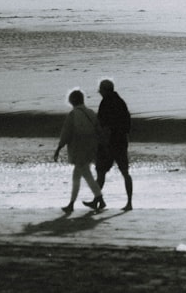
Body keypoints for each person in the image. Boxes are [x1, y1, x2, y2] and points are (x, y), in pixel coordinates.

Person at [54, 88, 106, 213]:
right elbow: (99, 130)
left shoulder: (73, 114)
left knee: (85, 175)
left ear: (72, 101)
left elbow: (66, 133)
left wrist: (59, 148)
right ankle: (72, 204)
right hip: (91, 148)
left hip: (79, 149)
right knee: (78, 175)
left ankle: (98, 198)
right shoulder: (91, 112)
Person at [93, 78, 134, 211]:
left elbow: (104, 125)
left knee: (101, 171)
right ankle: (129, 203)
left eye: (101, 90)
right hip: (121, 141)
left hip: (109, 142)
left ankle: (97, 200)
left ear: (104, 90)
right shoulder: (121, 102)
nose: (100, 93)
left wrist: (102, 143)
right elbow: (127, 122)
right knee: (125, 172)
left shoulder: (105, 103)